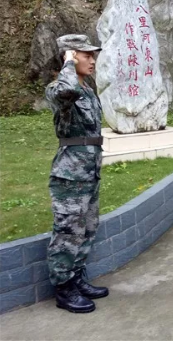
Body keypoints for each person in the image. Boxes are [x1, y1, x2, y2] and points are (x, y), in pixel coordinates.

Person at [45, 34, 108, 314]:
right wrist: (69, 63)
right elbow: (65, 91)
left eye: (93, 55)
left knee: (87, 228)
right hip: (69, 174)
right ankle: (63, 288)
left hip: (89, 170)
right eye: (85, 55)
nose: (92, 60)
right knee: (68, 230)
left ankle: (77, 278)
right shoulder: (59, 88)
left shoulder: (87, 88)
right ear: (69, 56)